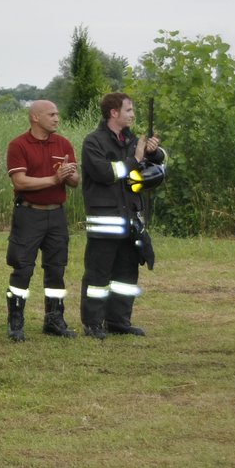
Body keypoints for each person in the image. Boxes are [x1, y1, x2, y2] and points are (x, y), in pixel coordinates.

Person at [81, 92, 165, 339]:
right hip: (105, 222)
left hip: (131, 220)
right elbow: (106, 173)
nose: (133, 114)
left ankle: (119, 321)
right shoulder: (93, 142)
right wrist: (135, 159)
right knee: (98, 275)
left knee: (127, 274)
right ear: (113, 113)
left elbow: (154, 166)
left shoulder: (131, 141)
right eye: (128, 110)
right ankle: (93, 324)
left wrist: (154, 152)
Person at [5, 99, 81, 341]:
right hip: (29, 214)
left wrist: (68, 175)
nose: (57, 118)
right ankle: (15, 321)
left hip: (57, 214)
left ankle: (55, 319)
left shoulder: (63, 143)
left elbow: (75, 181)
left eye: (57, 114)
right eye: (51, 114)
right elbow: (20, 182)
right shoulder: (18, 145)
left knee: (56, 269)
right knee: (23, 268)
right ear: (35, 117)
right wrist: (54, 178)